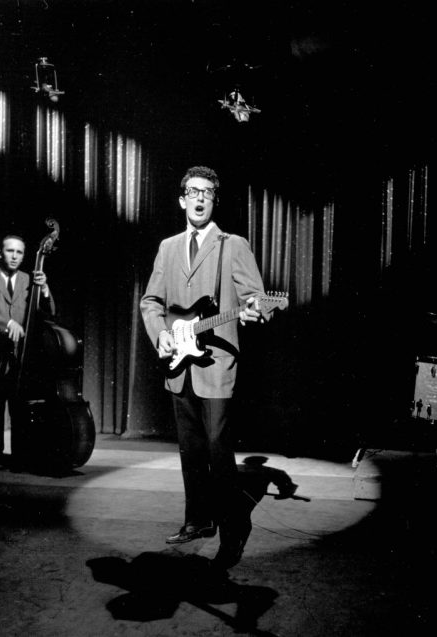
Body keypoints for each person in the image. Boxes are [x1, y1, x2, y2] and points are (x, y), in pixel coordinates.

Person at [140, 165, 266, 567]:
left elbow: (256, 299)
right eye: (192, 191)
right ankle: (197, 520)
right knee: (191, 449)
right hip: (179, 363)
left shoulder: (234, 245)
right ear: (181, 199)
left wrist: (256, 312)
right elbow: (150, 302)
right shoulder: (168, 247)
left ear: (214, 200)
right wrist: (160, 333)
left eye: (207, 193)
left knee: (217, 447)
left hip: (216, 364)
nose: (198, 198)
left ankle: (231, 531)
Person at [0, 234, 55, 469]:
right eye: (10, 251)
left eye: (19, 252)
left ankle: (20, 456)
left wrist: (45, 290)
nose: (14, 256)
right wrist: (7, 324)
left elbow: (49, 313)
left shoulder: (31, 279)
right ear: (0, 253)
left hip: (23, 357)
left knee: (19, 410)